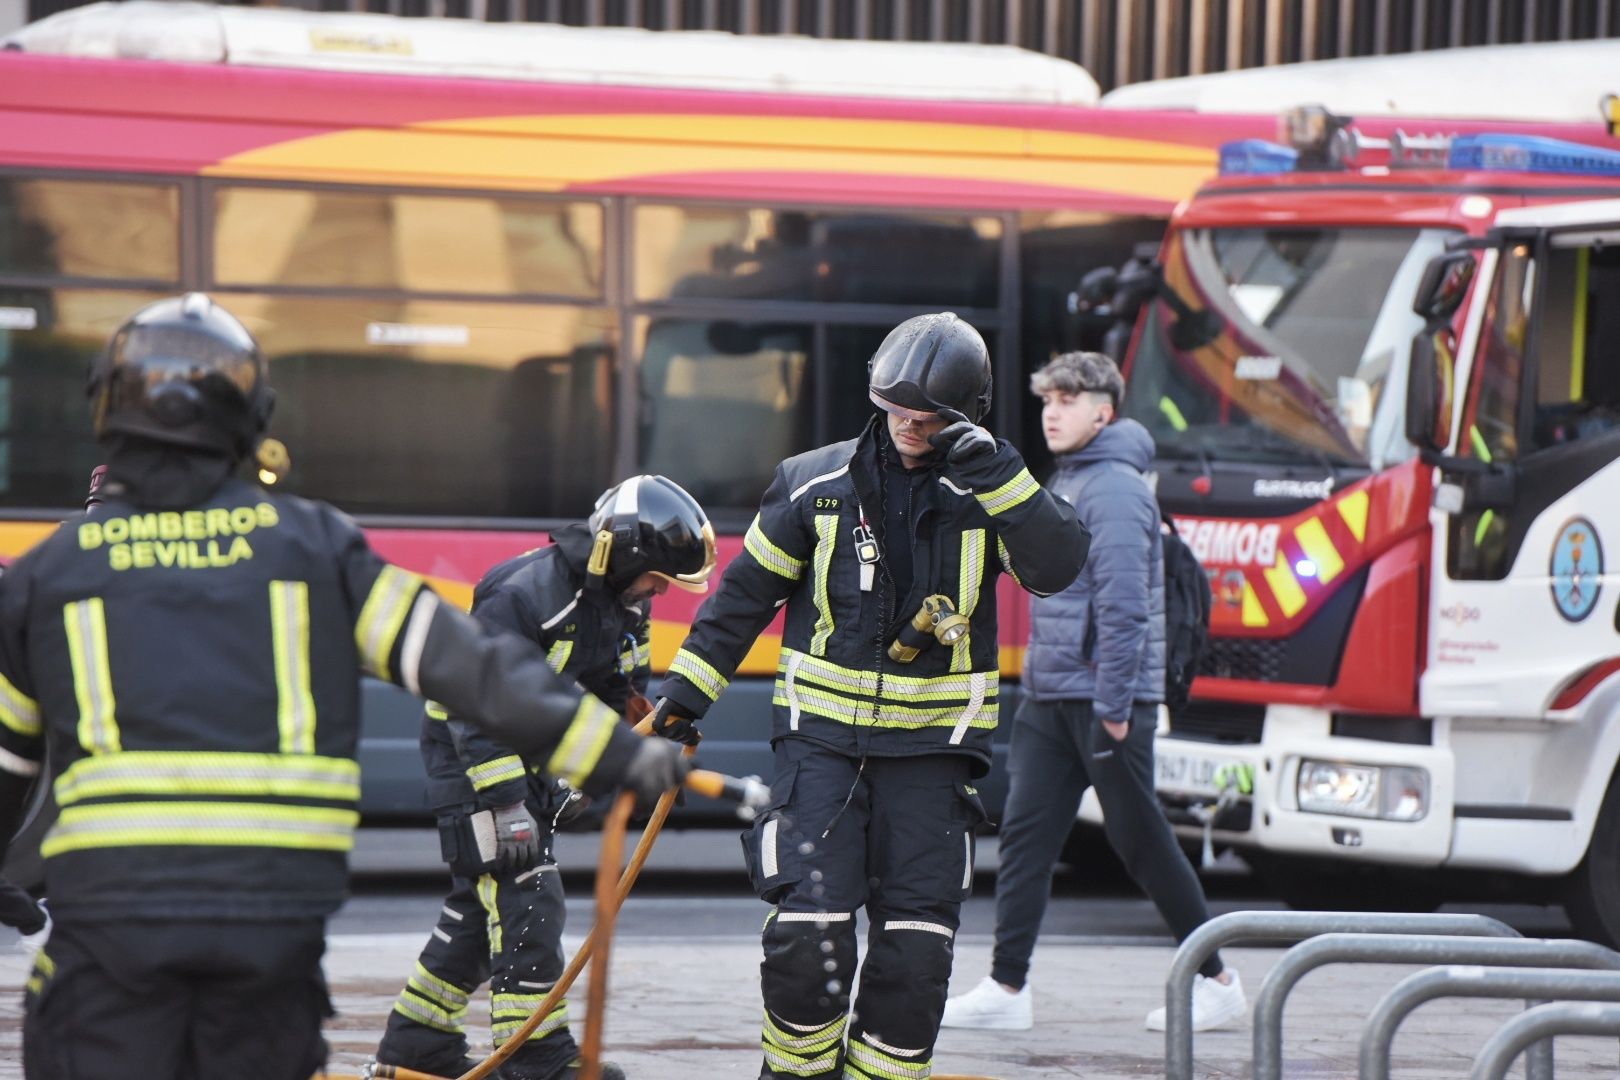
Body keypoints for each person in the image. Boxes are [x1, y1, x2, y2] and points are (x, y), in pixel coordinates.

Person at [0, 293, 689, 1080]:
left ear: (106, 415)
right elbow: (470, 668)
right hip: (264, 948)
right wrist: (623, 756)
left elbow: (11, 765)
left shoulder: (47, 576)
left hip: (104, 946)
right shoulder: (313, 549)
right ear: (249, 420)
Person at [651, 312, 1087, 1080]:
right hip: (820, 751)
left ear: (967, 415)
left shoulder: (989, 490)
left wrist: (1002, 475)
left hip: (933, 766)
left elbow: (1057, 567)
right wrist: (681, 703)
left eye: (928, 419)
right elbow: (741, 601)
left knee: (916, 960)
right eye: (896, 414)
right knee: (806, 940)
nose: (910, 429)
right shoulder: (813, 483)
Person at [941, 351, 1246, 1033]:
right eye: (1047, 399)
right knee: (1024, 840)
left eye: (1068, 400)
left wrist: (1113, 708)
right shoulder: (1070, 477)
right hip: (1052, 694)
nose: (1052, 411)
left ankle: (1218, 980)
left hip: (1102, 702)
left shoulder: (1111, 488)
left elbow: (1124, 606)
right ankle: (1007, 989)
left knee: (1141, 841)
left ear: (1102, 411)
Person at [374, 474, 716, 1080]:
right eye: (659, 578)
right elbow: (475, 708)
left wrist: (630, 756)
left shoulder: (622, 605)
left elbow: (617, 694)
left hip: (527, 760)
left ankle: (417, 1042)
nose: (660, 593)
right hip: (472, 763)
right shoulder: (521, 593)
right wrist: (508, 805)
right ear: (628, 553)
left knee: (481, 915)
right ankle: (535, 1058)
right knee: (530, 894)